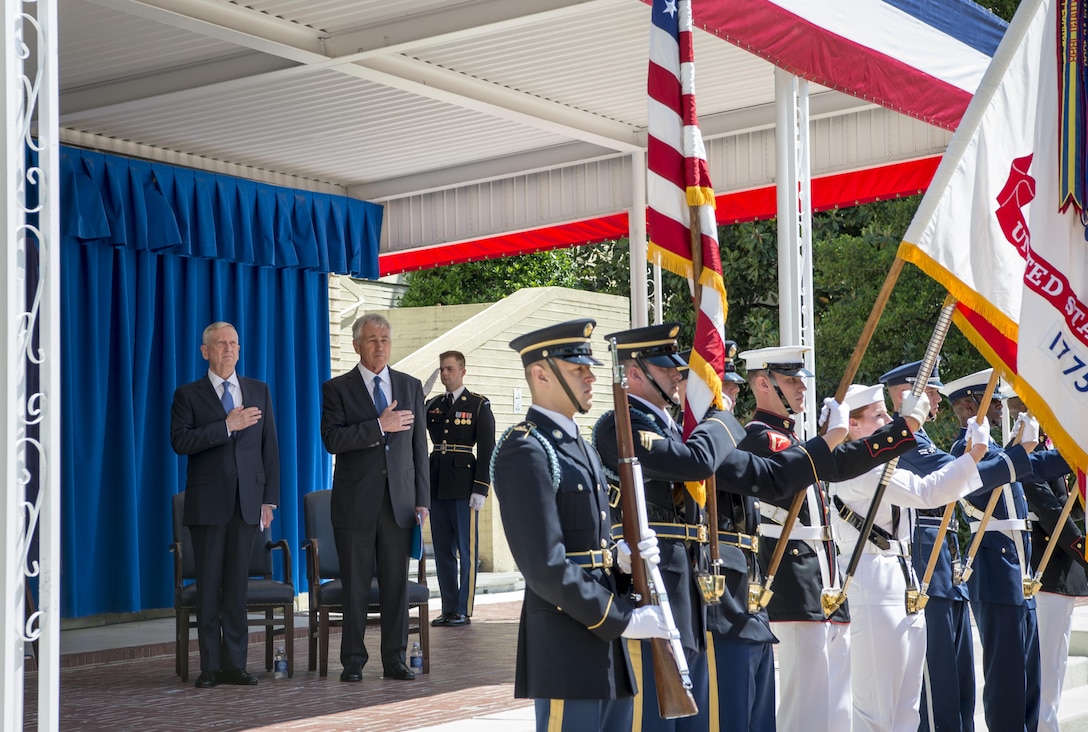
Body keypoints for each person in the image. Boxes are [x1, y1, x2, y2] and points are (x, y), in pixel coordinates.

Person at [738, 345, 929, 732]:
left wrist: (901, 430)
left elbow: (843, 463)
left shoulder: (799, 442)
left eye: (800, 380)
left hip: (826, 584)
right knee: (805, 709)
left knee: (836, 712)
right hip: (792, 582)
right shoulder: (758, 439)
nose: (800, 388)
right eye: (790, 380)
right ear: (763, 382)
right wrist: (830, 439)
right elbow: (788, 475)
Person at [491, 319, 669, 732]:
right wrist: (621, 619)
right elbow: (544, 566)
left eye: (589, 368)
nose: (591, 378)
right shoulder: (526, 448)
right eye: (577, 370)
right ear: (540, 373)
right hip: (565, 645)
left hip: (604, 643)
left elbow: (592, 544)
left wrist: (624, 563)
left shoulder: (582, 447)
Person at [878, 359, 1044, 732]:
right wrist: (1019, 455)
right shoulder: (905, 444)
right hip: (924, 571)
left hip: (945, 572)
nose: (938, 402)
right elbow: (959, 479)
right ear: (909, 395)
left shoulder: (923, 440)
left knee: (961, 690)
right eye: (933, 393)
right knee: (940, 693)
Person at [828, 383, 987, 732]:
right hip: (871, 581)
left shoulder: (876, 464)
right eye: (878, 415)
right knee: (875, 711)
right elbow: (927, 492)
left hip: (901, 579)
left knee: (906, 711)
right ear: (853, 426)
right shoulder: (855, 467)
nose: (888, 420)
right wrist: (972, 456)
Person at [943, 368, 1070, 732]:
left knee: (1029, 676)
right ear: (971, 405)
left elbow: (1036, 466)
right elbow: (983, 483)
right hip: (995, 572)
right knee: (1007, 678)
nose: (1001, 407)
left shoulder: (1001, 451)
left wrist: (1074, 448)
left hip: (1018, 573)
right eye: (993, 401)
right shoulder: (963, 451)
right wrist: (1018, 450)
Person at [321, 313, 430, 682]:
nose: (379, 345)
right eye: (371, 339)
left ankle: (395, 659)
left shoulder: (410, 386)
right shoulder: (337, 389)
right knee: (354, 585)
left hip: (398, 504)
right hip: (355, 505)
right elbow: (332, 441)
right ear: (357, 345)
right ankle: (353, 660)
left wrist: (422, 500)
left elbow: (419, 449)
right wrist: (377, 427)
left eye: (384, 339)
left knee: (396, 586)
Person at [170, 321, 280, 689]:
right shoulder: (188, 395)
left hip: (248, 504)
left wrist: (269, 499)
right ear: (205, 351)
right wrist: (226, 425)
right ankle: (211, 667)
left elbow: (270, 449)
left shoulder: (258, 390)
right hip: (208, 504)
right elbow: (180, 442)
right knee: (210, 587)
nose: (228, 349)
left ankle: (236, 665)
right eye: (220, 344)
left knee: (236, 588)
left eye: (233, 343)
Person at [1011, 394, 1088, 732]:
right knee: (1045, 664)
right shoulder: (1026, 457)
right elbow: (1052, 514)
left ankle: (1047, 726)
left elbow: (1071, 507)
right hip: (1047, 570)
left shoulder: (1052, 449)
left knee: (1055, 663)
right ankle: (1043, 726)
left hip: (1063, 572)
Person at [425, 350, 496, 627]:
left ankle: (464, 609)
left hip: (465, 486)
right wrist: (420, 395)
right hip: (438, 484)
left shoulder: (478, 405)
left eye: (450, 369)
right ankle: (448, 607)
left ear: (462, 371)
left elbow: (488, 449)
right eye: (442, 369)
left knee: (466, 552)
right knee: (442, 550)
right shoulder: (433, 404)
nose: (445, 374)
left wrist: (481, 487)